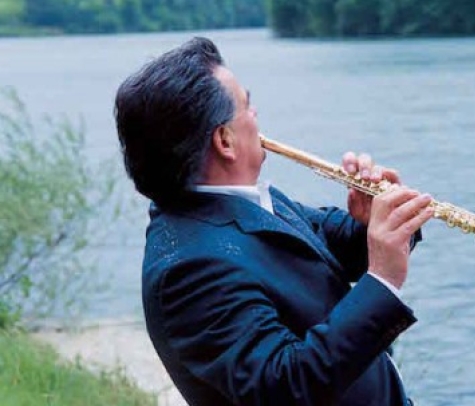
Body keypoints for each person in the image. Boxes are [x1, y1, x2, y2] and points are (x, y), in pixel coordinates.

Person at [114, 37, 434, 406]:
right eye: (247, 107)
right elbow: (285, 387)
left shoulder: (243, 203)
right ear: (225, 141)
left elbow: (338, 247)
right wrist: (383, 280)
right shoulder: (190, 269)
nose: (256, 117)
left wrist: (381, 216)